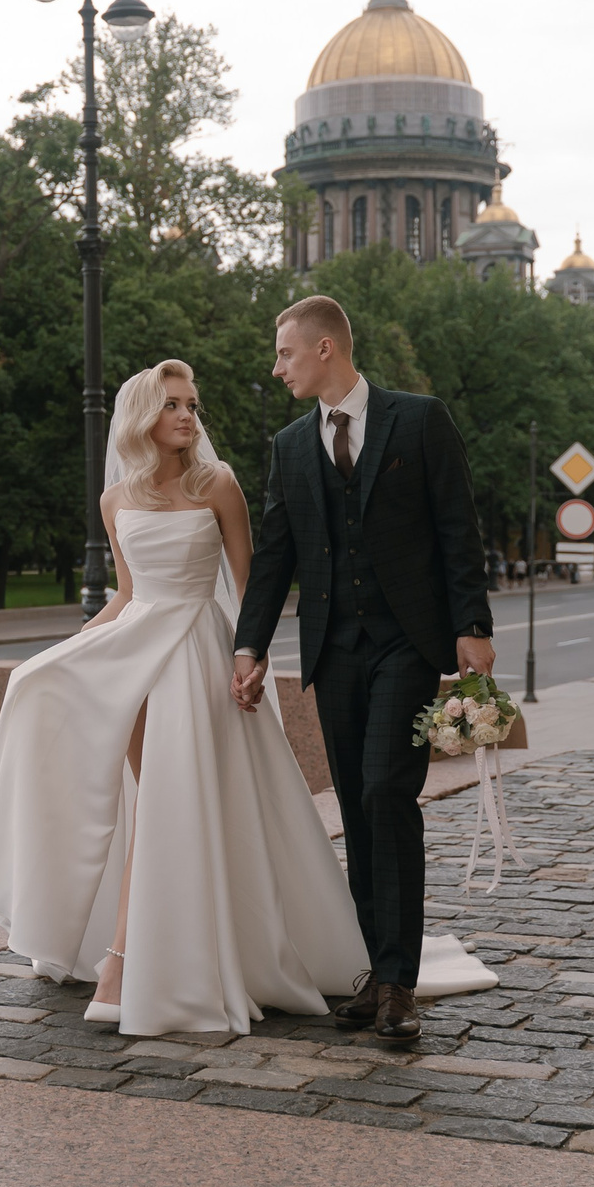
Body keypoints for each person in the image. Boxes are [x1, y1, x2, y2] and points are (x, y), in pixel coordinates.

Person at [0, 355, 495, 1040]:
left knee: (182, 801)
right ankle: (132, 956)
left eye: (192, 405)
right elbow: (128, 597)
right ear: (141, 415)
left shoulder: (218, 484)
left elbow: (256, 581)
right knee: (149, 806)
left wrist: (248, 655)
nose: (188, 416)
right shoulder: (114, 501)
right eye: (172, 405)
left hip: (199, 654)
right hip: (138, 650)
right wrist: (64, 652)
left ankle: (129, 963)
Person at [233, 294, 496, 1041]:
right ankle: (376, 975)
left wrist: (471, 625)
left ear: (325, 350)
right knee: (356, 805)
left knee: (388, 791)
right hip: (333, 652)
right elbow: (275, 558)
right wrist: (250, 647)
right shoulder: (289, 445)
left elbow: (457, 526)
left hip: (407, 644)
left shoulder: (419, 419)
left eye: (285, 353)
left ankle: (399, 984)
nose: (276, 366)